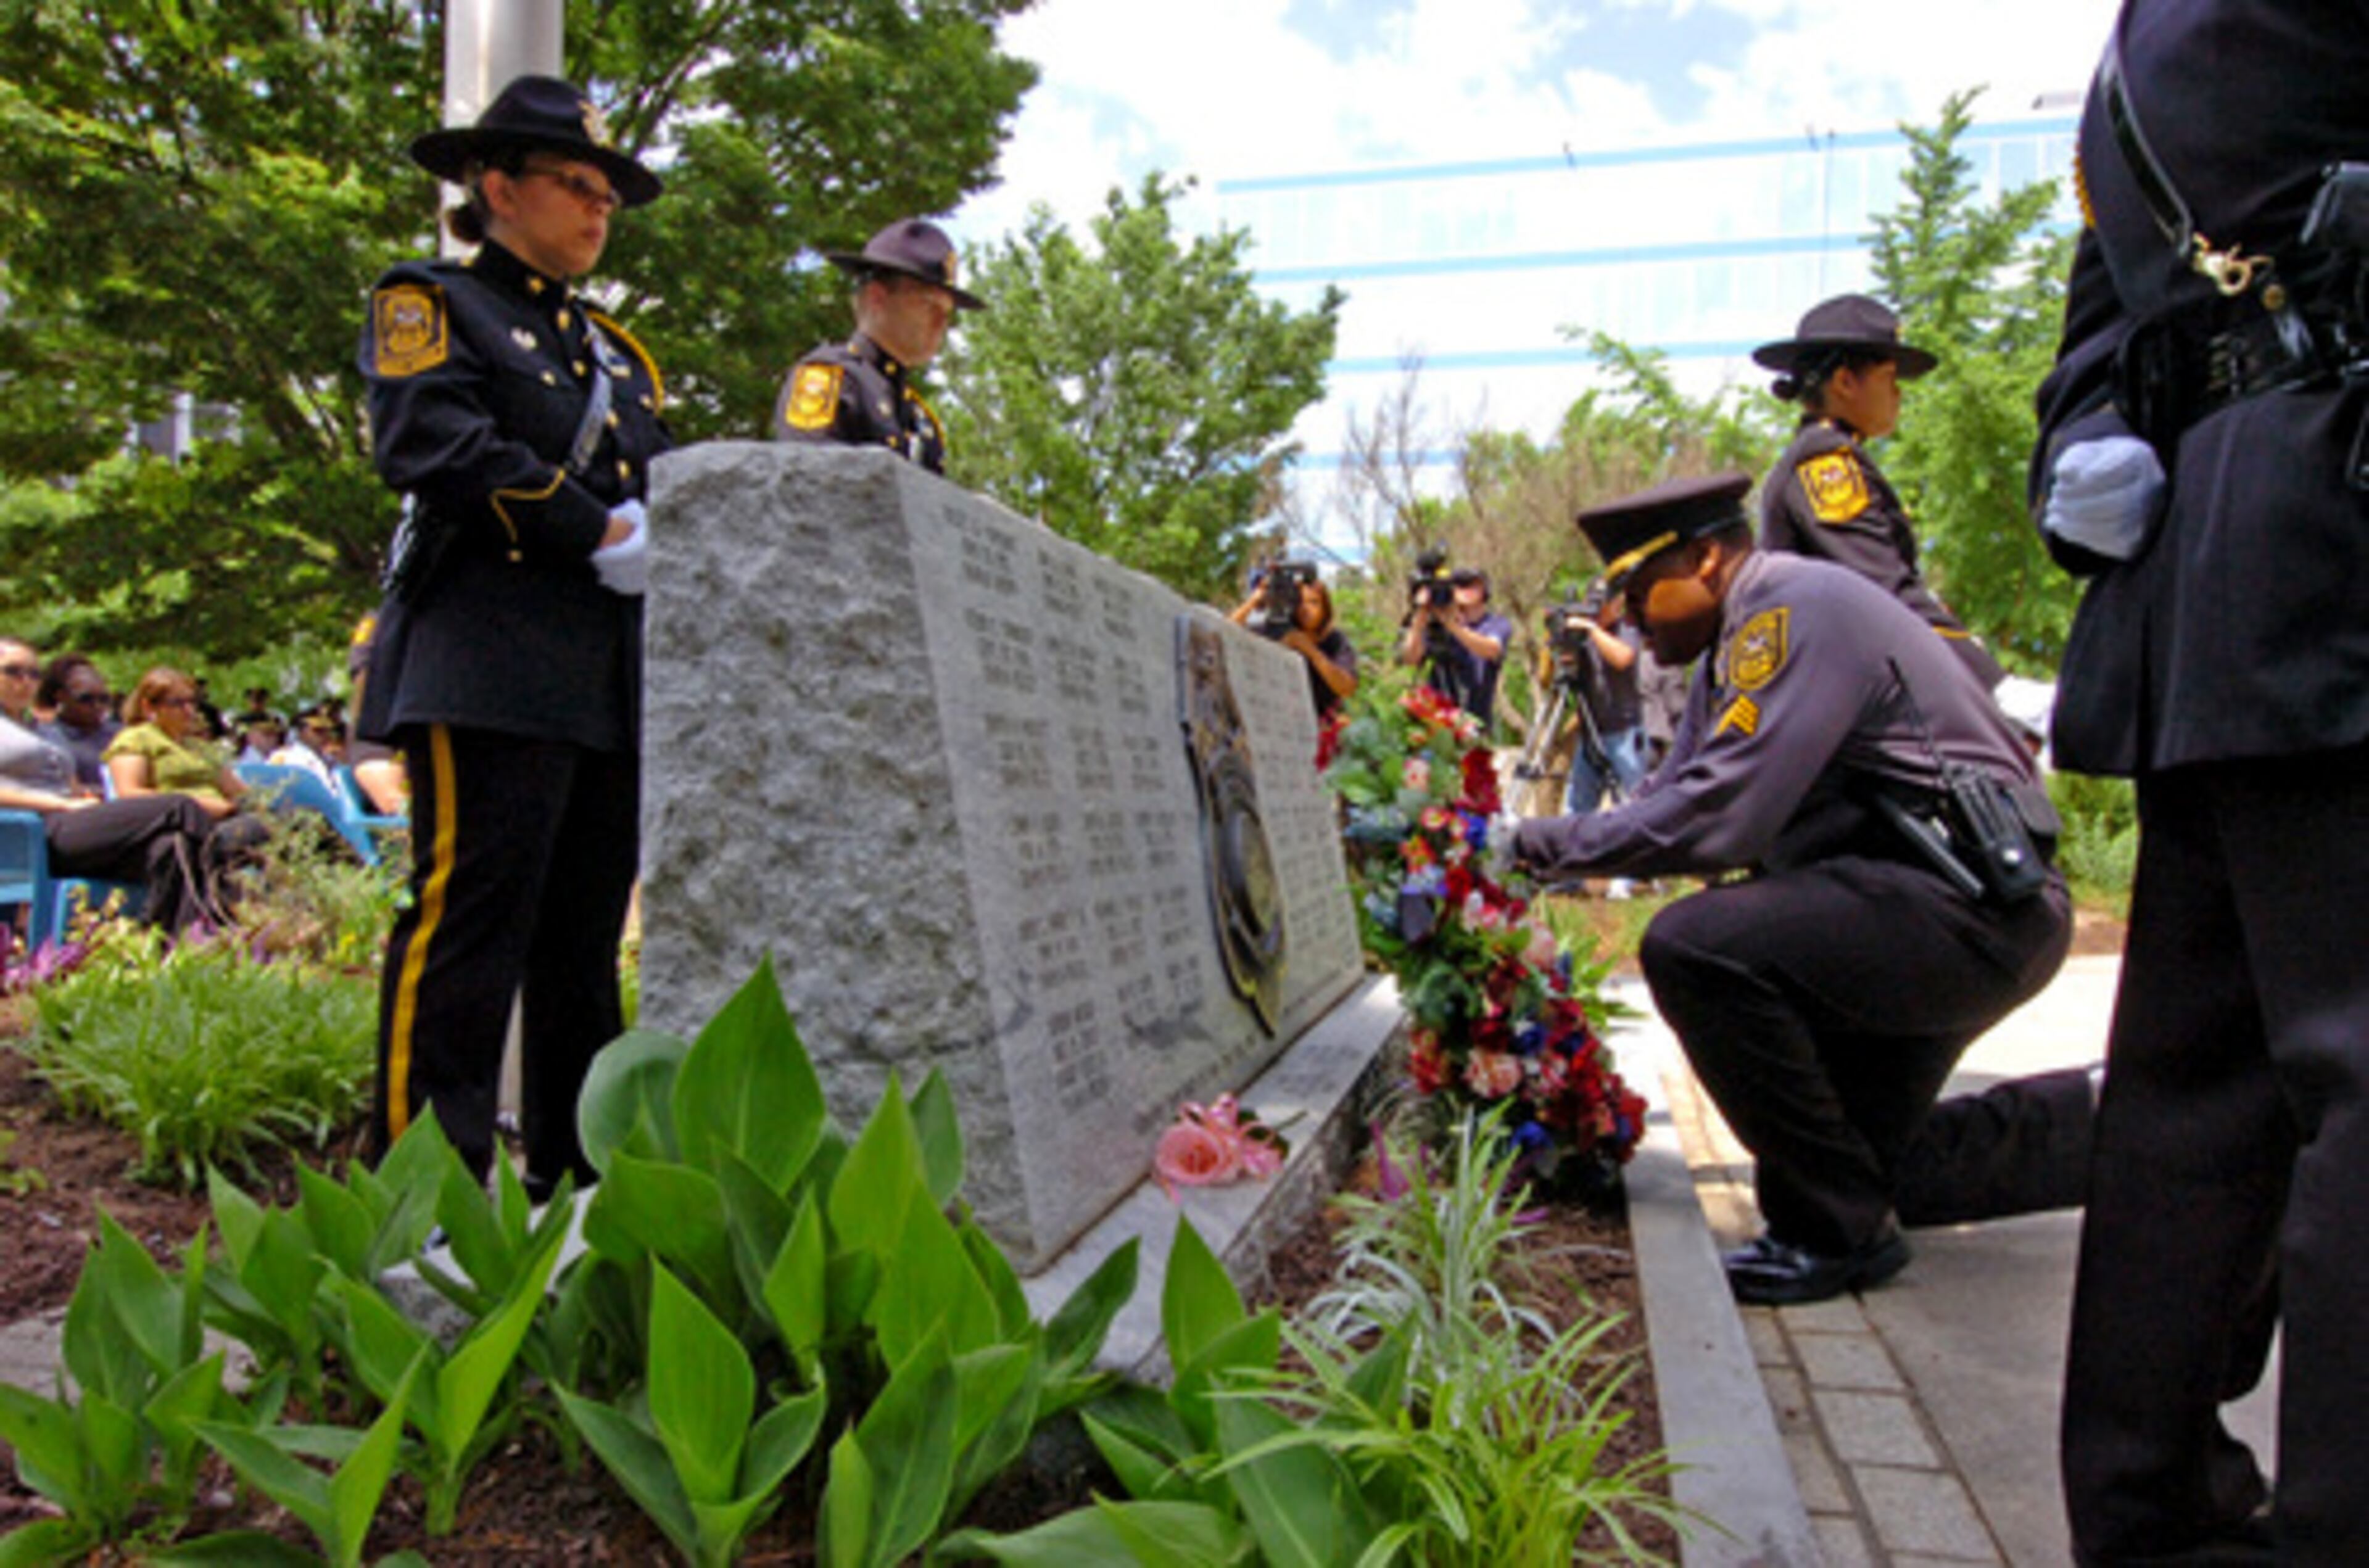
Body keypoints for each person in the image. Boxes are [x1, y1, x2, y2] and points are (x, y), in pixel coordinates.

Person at [2033, 5, 2369, 1559]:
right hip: (2333, 536)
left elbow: (2091, 351)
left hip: (2209, 580)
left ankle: (2148, 1515)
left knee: (2195, 1101)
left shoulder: (2134, 48)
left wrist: (2101, 447)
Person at [1510, 471, 2072, 1305]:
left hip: (1961, 907)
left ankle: (1830, 1236)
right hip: (1916, 907)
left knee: (1697, 946)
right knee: (1881, 1165)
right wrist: (1534, 845)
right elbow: (1674, 799)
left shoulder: (1790, 610)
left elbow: (1718, 821)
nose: (1623, 616)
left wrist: (1524, 846)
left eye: (1635, 588)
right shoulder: (1733, 645)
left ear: (1704, 558)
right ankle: (2122, 1126)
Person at [355, 74, 668, 1200]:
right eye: (576, 186)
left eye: (609, 196)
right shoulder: (432, 304)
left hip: (603, 676)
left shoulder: (621, 356)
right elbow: (431, 444)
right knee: (466, 932)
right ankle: (421, 1196)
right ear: (496, 187)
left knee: (582, 946)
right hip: (487, 661)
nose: (598, 210)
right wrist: (594, 524)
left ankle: (578, 1185)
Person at [1754, 294, 2007, 690]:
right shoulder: (1826, 463)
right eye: (1890, 379)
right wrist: (1993, 685)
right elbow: (1885, 588)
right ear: (1845, 382)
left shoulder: (1827, 454)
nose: (1899, 394)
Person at [0, 638, 232, 936]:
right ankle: (227, 916)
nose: (26, 681)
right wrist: (60, 805)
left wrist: (82, 796)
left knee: (173, 846)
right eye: (14, 672)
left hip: (72, 824)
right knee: (179, 807)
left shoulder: (45, 730)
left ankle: (177, 949)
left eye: (34, 673)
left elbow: (68, 784)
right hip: (30, 832)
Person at [772, 218, 984, 474]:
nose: (941, 322)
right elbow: (810, 484)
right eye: (930, 305)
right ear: (877, 298)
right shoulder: (832, 381)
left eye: (947, 312)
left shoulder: (921, 420)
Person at [105, 667, 252, 819]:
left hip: (225, 820)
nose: (189, 711)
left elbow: (237, 791)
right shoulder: (136, 739)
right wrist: (197, 805)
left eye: (192, 702)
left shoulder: (199, 746)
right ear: (149, 707)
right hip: (176, 823)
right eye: (177, 703)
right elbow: (129, 793)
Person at [1555, 590, 1651, 815]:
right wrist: (1557, 642)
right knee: (1577, 809)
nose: (1598, 609)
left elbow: (1623, 658)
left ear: (1617, 604)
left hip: (1624, 733)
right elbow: (1547, 679)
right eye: (1593, 602)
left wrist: (1592, 629)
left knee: (1634, 805)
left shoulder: (1627, 629)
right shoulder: (1580, 637)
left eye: (1604, 603)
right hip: (1590, 735)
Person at [1226, 566, 1358, 720]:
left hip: (1321, 727)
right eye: (1300, 603)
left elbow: (1347, 687)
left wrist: (1311, 651)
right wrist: (1254, 601)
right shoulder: (1277, 629)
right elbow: (1224, 632)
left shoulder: (1334, 640)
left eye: (1314, 603)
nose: (1306, 609)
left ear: (1325, 609)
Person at [1398, 565, 1511, 728]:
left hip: (1475, 721)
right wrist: (1419, 618)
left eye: (1472, 584)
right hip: (1436, 721)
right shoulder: (1437, 626)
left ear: (1485, 590)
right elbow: (1411, 658)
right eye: (1459, 585)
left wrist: (1453, 626)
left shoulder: (1496, 624)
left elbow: (1491, 649)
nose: (1465, 590)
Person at [34, 656, 117, 793]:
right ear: (61, 696)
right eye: (86, 699)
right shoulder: (48, 738)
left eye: (104, 699)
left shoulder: (121, 733)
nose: (97, 706)